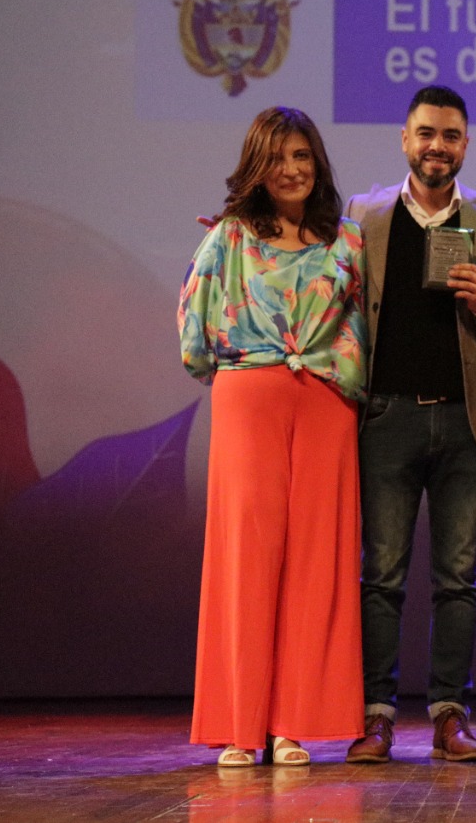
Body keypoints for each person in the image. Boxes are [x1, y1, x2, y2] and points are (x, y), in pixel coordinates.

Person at [178, 106, 368, 767]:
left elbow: (356, 330)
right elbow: (194, 320)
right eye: (280, 156)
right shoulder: (230, 236)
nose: (293, 168)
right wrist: (234, 372)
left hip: (324, 402)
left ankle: (294, 722)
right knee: (247, 554)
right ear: (257, 166)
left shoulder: (344, 241)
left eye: (304, 156)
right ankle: (241, 724)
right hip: (249, 396)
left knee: (318, 561)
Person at [343, 85, 476, 764]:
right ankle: (377, 714)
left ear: (465, 145)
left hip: (465, 421)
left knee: (457, 577)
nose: (437, 147)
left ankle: (450, 713)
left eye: (450, 136)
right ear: (404, 138)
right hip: (386, 416)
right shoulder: (363, 214)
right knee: (382, 575)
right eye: (426, 134)